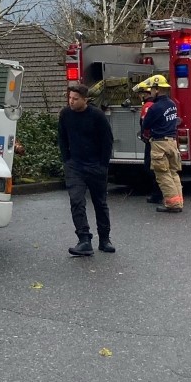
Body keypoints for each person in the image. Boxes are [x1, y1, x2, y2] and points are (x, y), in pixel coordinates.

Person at [57, 83, 115, 256]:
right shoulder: (65, 114)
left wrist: (103, 165)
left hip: (96, 166)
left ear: (85, 100)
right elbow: (62, 138)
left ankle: (105, 239)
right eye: (70, 98)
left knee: (100, 203)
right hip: (75, 166)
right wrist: (66, 160)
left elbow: (107, 141)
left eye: (75, 99)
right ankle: (84, 239)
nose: (71, 102)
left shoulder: (97, 116)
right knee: (76, 201)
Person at [143, 75, 184, 212]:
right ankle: (179, 202)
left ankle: (172, 204)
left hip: (159, 144)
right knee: (173, 173)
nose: (151, 92)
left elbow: (146, 124)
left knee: (163, 174)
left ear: (157, 90)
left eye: (152, 90)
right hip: (172, 142)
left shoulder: (155, 108)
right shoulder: (172, 104)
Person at [132, 79, 159, 203]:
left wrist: (145, 137)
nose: (139, 96)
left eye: (140, 93)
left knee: (150, 167)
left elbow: (145, 124)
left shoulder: (147, 106)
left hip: (151, 141)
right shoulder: (157, 104)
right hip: (158, 139)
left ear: (145, 93)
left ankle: (156, 194)